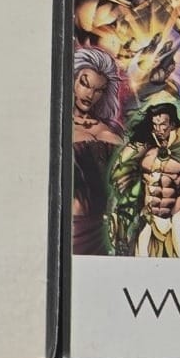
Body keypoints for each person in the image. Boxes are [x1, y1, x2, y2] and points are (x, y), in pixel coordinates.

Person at [110, 98, 180, 258]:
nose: (158, 130)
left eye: (162, 125)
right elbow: (121, 170)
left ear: (173, 124)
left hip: (175, 218)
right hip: (149, 218)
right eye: (155, 125)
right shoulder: (147, 152)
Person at [70, 46, 128, 255]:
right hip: (77, 226)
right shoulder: (59, 125)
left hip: (114, 225)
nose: (90, 94)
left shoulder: (112, 128)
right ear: (72, 79)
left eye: (99, 89)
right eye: (85, 84)